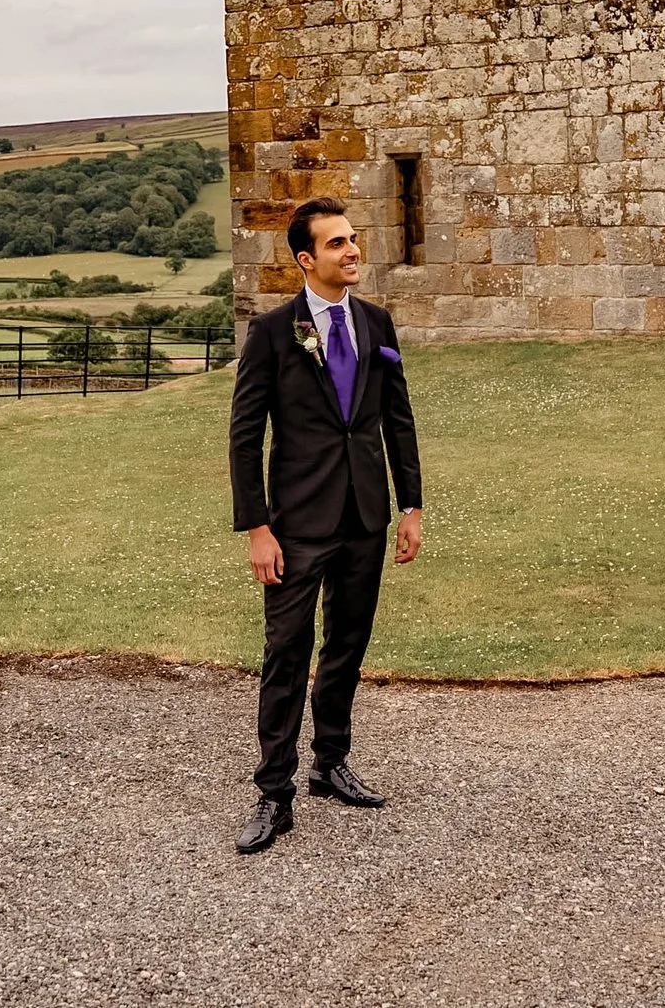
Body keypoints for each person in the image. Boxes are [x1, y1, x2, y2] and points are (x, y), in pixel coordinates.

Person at [227, 195, 423, 855]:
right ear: (307, 259)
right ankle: (273, 794)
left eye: (354, 239)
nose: (353, 251)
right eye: (338, 243)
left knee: (346, 647)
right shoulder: (274, 333)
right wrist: (257, 527)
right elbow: (244, 435)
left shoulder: (376, 323)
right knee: (286, 655)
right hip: (296, 524)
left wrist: (410, 506)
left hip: (365, 516)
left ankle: (330, 762)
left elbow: (397, 418)